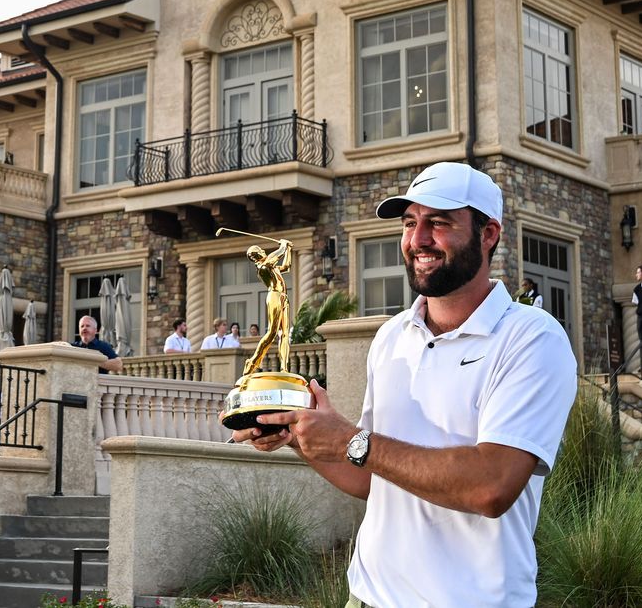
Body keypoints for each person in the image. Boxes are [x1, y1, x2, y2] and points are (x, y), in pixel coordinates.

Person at [232, 161, 577, 608]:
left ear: (488, 234)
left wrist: (353, 440)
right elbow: (374, 481)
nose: (418, 240)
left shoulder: (533, 338)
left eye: (439, 223)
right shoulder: (392, 337)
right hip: (368, 596)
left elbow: (491, 486)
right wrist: (302, 436)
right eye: (410, 223)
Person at [240, 239, 292, 376]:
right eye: (260, 250)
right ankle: (252, 362)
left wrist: (289, 249)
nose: (263, 251)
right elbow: (276, 255)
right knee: (272, 333)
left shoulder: (272, 267)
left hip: (283, 297)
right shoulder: (263, 267)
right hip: (274, 296)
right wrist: (283, 246)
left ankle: (284, 368)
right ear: (255, 256)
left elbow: (286, 266)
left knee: (284, 334)